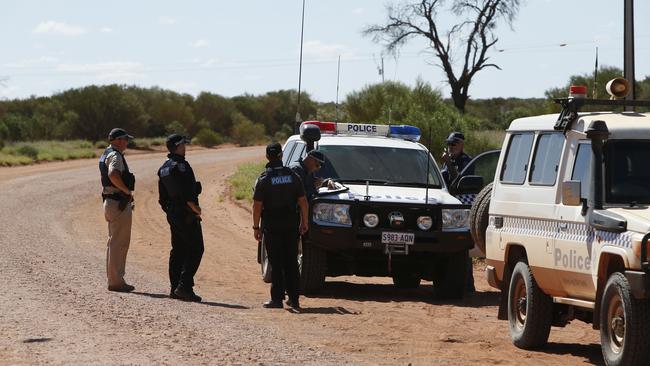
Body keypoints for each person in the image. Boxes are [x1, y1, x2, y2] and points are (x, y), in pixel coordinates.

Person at [253, 142, 309, 309]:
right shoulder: (293, 176)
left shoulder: (264, 179)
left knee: (276, 263)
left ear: (267, 157)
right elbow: (303, 202)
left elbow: (257, 206)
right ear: (281, 155)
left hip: (272, 225)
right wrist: (304, 222)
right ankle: (294, 299)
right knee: (291, 262)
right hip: (291, 225)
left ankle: (277, 299)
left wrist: (256, 227)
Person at [157, 134, 204, 302]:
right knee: (196, 249)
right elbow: (187, 193)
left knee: (178, 250)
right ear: (178, 146)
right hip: (186, 214)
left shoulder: (164, 168)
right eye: (184, 144)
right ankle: (184, 287)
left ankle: (174, 288)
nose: (185, 147)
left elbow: (162, 198)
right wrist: (195, 209)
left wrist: (172, 211)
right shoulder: (182, 166)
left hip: (173, 213)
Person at [99, 128, 136, 293]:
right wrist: (126, 191)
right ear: (119, 140)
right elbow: (113, 174)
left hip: (110, 202)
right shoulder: (115, 155)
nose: (127, 142)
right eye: (126, 139)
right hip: (117, 202)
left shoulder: (107, 153)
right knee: (119, 243)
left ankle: (114, 279)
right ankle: (116, 281)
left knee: (114, 242)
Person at [440, 131, 476, 293]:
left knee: (463, 247)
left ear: (461, 144)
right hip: (448, 206)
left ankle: (468, 285)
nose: (450, 147)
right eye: (449, 144)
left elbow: (459, 183)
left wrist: (448, 163)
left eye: (453, 144)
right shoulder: (448, 160)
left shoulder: (467, 161)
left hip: (461, 207)